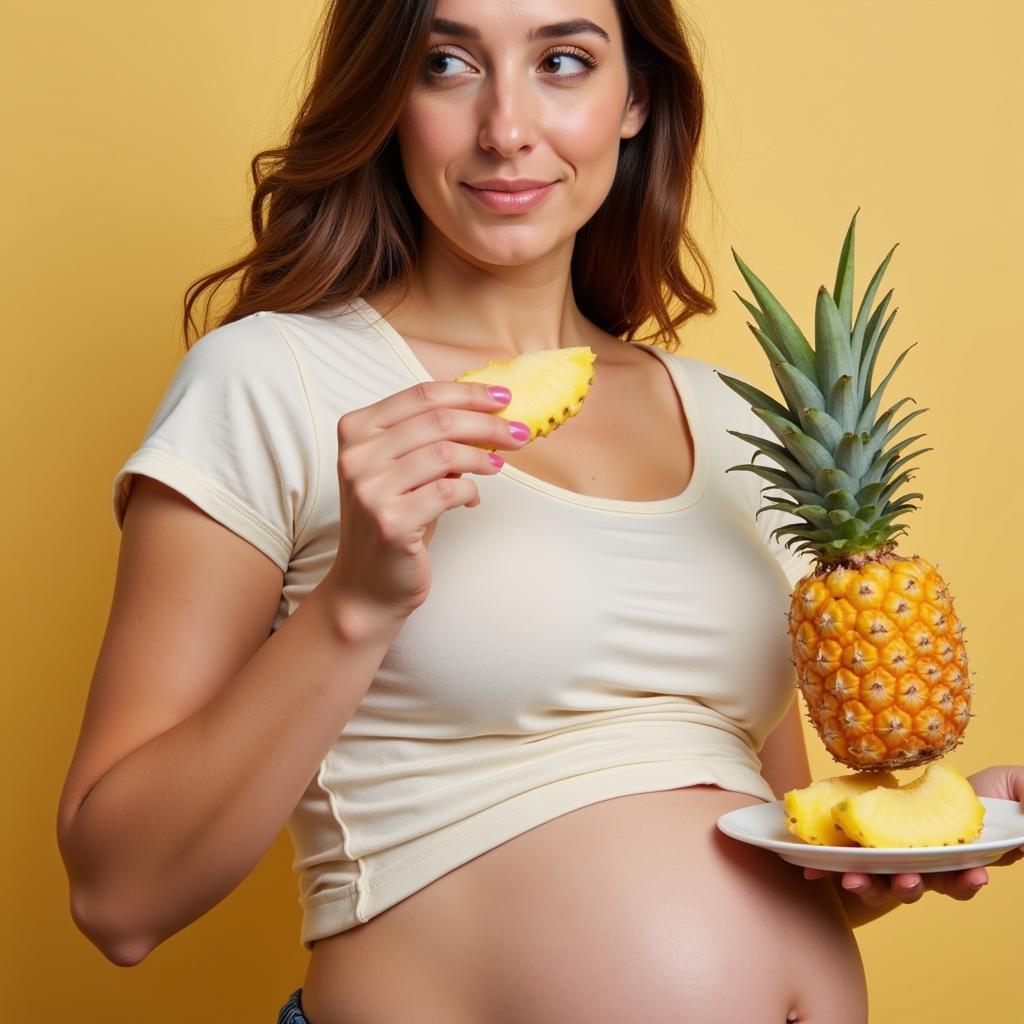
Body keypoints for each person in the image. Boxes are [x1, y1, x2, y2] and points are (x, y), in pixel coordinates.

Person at [57, 2, 1024, 1022]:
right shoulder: (275, 380)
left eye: (563, 61)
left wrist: (887, 851)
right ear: (389, 97)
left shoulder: (736, 425)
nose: (506, 127)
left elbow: (755, 840)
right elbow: (120, 898)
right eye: (446, 64)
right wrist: (355, 601)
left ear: (634, 99)